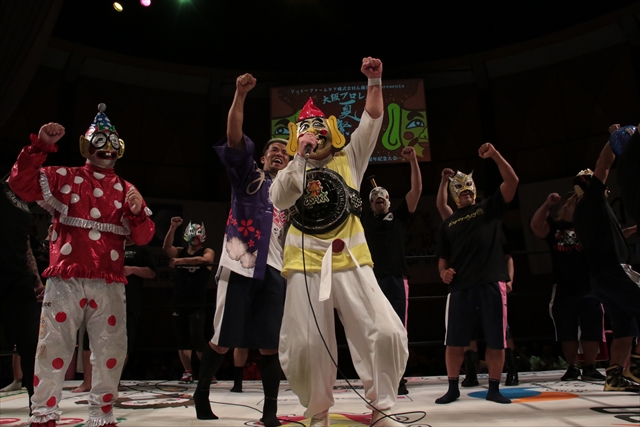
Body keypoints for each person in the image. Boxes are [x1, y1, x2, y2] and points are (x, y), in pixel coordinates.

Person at [269, 57, 408, 427]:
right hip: (304, 263)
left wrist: (375, 80)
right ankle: (318, 414)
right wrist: (298, 157)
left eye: (318, 130)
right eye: (305, 132)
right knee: (306, 344)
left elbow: (372, 118)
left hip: (350, 259)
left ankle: (382, 409)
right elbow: (280, 199)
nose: (313, 135)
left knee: (385, 332)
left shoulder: (351, 156)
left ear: (331, 131)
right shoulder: (292, 167)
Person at [9, 109, 156, 427]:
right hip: (66, 277)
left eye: (113, 143)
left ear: (120, 148)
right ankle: (44, 413)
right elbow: (20, 183)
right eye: (100, 142)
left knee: (111, 349)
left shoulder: (126, 189)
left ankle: (102, 414)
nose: (108, 148)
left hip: (109, 282)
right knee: (53, 345)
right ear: (85, 146)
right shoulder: (64, 177)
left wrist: (136, 213)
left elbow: (144, 237)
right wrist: (39, 147)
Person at [192, 73, 289, 427]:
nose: (279, 154)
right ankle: (201, 392)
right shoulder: (248, 176)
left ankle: (270, 410)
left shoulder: (292, 194)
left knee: (270, 344)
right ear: (262, 157)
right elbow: (234, 137)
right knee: (222, 339)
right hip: (240, 264)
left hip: (276, 271)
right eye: (273, 150)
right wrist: (240, 94)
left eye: (284, 152)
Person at [435, 143, 519, 405]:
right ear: (453, 194)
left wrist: (495, 155)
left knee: (496, 339)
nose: (464, 191)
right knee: (454, 342)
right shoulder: (448, 223)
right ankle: (452, 388)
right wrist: (443, 273)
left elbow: (512, 181)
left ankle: (494, 388)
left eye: (467, 187)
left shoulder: (488, 208)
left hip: (491, 281)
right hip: (460, 286)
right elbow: (443, 258)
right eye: (458, 188)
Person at [572, 124, 640, 392]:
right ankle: (637, 366)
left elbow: (609, 236)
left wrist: (632, 230)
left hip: (601, 277)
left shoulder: (587, 212)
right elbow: (603, 164)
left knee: (625, 327)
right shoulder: (593, 200)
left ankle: (614, 377)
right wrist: (614, 139)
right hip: (614, 270)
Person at [361, 145, 422, 396]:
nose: (379, 197)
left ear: (388, 200)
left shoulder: (399, 217)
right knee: (372, 329)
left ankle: (399, 377)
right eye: (374, 196)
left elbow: (416, 191)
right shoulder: (363, 220)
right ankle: (375, 377)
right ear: (370, 203)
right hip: (370, 280)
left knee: (398, 329)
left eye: (382, 195)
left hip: (396, 279)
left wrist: (413, 161)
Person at [530, 191, 607, 382]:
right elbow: (535, 226)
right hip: (563, 287)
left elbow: (612, 234)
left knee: (591, 327)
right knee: (566, 329)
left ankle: (590, 367)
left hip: (589, 285)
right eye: (575, 203)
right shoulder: (555, 227)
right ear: (566, 207)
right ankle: (572, 367)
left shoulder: (590, 227)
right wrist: (547, 204)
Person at [72, 238, 158, 393]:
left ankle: (113, 381)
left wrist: (132, 269)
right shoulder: (109, 244)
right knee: (89, 338)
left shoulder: (141, 248)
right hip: (102, 296)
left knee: (123, 341)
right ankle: (87, 382)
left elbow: (152, 273)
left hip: (129, 299)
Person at [0, 178, 44, 405]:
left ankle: (38, 407)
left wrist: (36, 279)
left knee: (31, 343)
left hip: (19, 279)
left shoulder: (21, 201)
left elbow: (25, 242)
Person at [163, 218, 214, 383]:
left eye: (197, 237)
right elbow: (166, 248)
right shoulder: (180, 251)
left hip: (197, 302)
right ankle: (188, 371)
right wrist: (173, 227)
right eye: (192, 236)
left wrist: (181, 261)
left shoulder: (207, 251)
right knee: (182, 339)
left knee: (197, 337)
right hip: (179, 300)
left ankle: (207, 372)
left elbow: (206, 260)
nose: (194, 240)